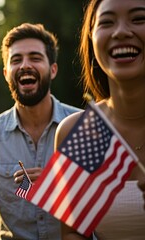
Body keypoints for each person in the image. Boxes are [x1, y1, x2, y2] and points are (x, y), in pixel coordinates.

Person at [0, 23, 81, 240]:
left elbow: (110, 205)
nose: (25, 65)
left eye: (35, 58)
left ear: (53, 69)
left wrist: (63, 188)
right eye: (16, 60)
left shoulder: (84, 127)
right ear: (5, 73)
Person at [60, 0, 145, 239]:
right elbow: (72, 234)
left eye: (138, 19)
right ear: (92, 38)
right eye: (107, 22)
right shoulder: (77, 131)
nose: (120, 32)